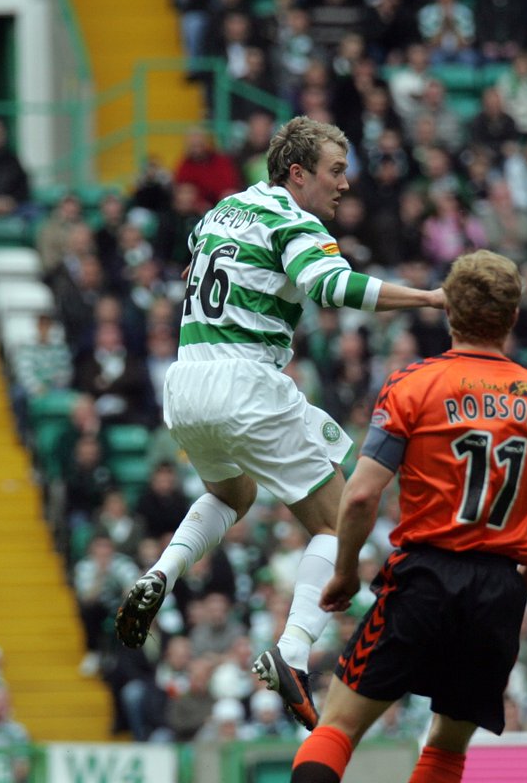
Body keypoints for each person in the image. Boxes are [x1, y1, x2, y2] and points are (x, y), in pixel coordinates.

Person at [114, 117, 444, 730]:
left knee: (231, 494)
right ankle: (292, 652)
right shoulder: (295, 220)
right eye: (335, 171)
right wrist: (426, 298)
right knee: (340, 523)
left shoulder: (221, 211)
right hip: (246, 382)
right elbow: (329, 285)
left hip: (186, 382)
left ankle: (163, 570)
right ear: (297, 173)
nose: (344, 185)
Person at [289, 250, 527, 782]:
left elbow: (359, 497)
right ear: (514, 317)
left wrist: (345, 571)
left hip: (424, 577)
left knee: (337, 726)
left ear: (448, 312)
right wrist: (525, 581)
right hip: (496, 591)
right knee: (447, 747)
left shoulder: (413, 383)